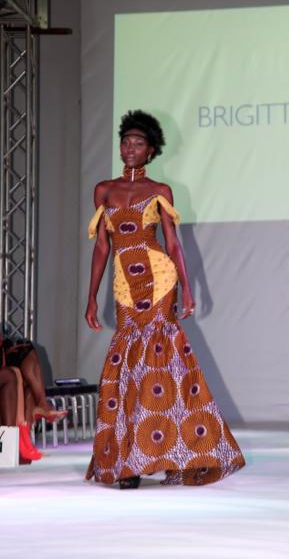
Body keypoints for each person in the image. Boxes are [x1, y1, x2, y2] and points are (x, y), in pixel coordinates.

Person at [85, 110, 245, 488]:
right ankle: (129, 457)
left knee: (157, 365)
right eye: (126, 142)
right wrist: (91, 297)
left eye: (138, 143)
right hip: (125, 285)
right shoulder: (103, 190)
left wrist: (187, 288)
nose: (130, 148)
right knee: (128, 364)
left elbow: (172, 243)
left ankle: (162, 452)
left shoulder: (160, 191)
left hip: (159, 280)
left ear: (151, 151)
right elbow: (102, 247)